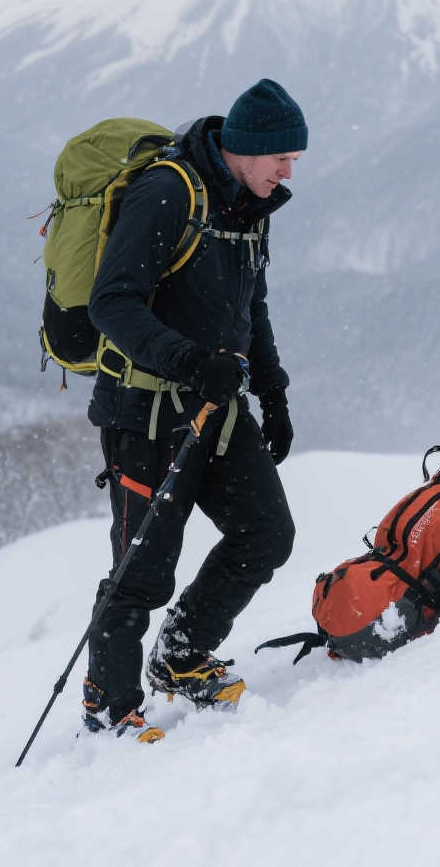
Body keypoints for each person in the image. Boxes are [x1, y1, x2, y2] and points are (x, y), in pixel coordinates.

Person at [78, 78, 306, 742]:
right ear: (243, 149)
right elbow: (111, 303)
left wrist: (274, 390)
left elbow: (249, 310)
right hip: (144, 412)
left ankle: (180, 655)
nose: (289, 171)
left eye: (295, 159)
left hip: (218, 406)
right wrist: (186, 361)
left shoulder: (247, 207)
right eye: (280, 158)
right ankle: (108, 704)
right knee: (142, 567)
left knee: (266, 532)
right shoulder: (168, 192)